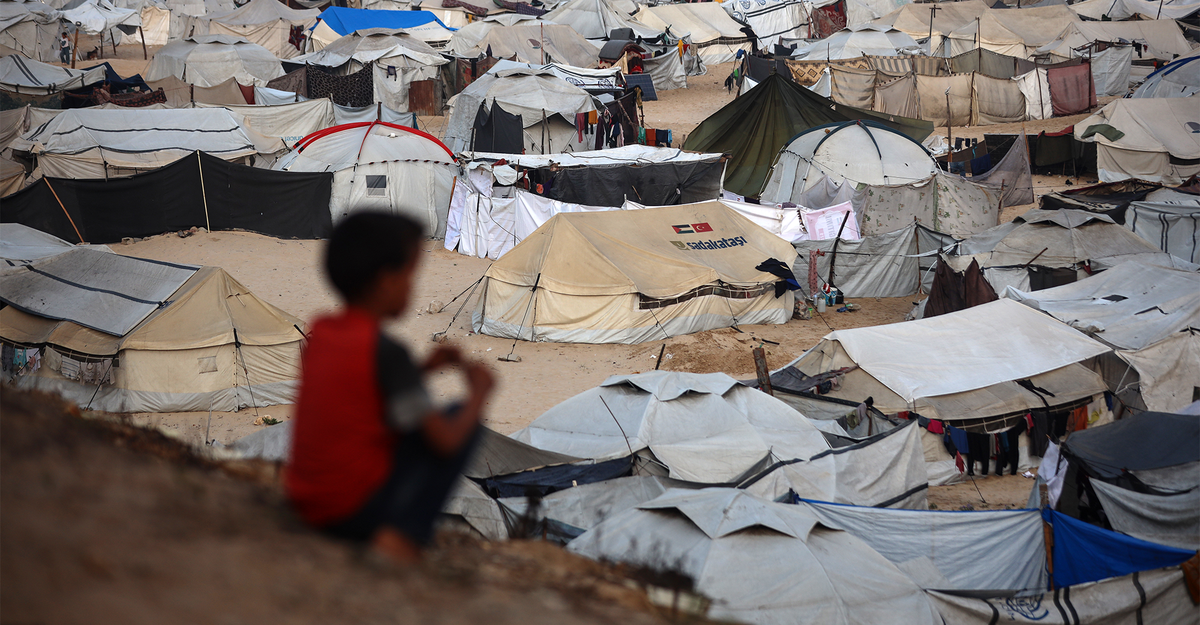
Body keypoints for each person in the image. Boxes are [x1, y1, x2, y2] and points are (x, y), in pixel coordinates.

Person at [285, 212, 494, 564]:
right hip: (351, 512)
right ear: (386, 281)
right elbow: (446, 441)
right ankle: (403, 536)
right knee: (460, 419)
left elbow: (363, 390)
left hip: (307, 500)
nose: (412, 287)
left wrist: (424, 369)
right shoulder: (388, 351)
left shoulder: (323, 331)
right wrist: (480, 394)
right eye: (410, 275)